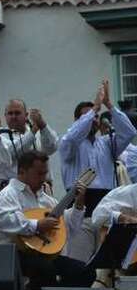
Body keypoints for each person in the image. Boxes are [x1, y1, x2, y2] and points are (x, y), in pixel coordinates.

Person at [0, 151, 93, 290]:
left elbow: (69, 227)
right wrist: (37, 225)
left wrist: (79, 204)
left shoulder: (46, 200)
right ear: (22, 172)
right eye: (39, 174)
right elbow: (6, 221)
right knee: (45, 269)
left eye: (45, 173)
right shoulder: (8, 194)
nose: (43, 178)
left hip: (42, 255)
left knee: (84, 271)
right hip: (13, 255)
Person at [58, 80, 137, 261]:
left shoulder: (107, 143)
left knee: (106, 266)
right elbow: (72, 136)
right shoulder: (69, 145)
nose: (93, 120)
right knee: (79, 262)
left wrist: (108, 104)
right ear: (77, 121)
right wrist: (94, 107)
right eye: (87, 116)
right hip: (80, 209)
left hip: (107, 209)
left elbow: (129, 132)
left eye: (95, 116)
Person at [0, 99, 59, 181]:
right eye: (10, 113)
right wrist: (32, 133)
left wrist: (43, 125)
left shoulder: (39, 131)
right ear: (5, 116)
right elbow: (11, 153)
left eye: (17, 113)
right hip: (15, 190)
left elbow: (52, 149)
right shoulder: (0, 136)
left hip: (42, 188)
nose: (13, 116)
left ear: (26, 115)